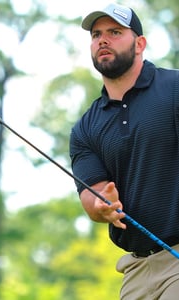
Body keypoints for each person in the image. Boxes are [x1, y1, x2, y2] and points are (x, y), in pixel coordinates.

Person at [69, 2, 179, 299]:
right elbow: (94, 193)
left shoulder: (174, 89)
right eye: (96, 34)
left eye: (115, 32)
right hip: (136, 270)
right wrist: (102, 206)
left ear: (140, 43)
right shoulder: (85, 128)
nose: (103, 40)